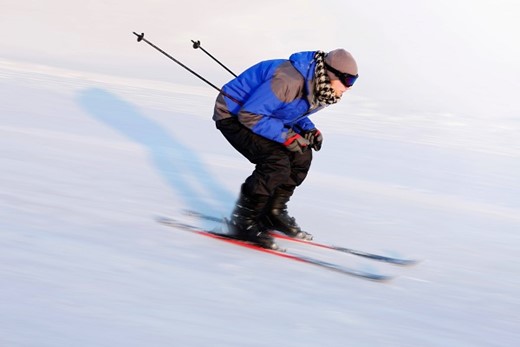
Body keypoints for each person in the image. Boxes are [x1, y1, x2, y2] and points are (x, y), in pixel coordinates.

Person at [212, 48, 358, 249]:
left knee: (302, 155)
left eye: (354, 81)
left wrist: (308, 129)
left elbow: (288, 109)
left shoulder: (317, 82)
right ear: (332, 74)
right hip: (232, 115)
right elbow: (250, 114)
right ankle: (243, 221)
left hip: (260, 117)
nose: (349, 87)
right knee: (275, 161)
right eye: (348, 81)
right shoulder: (289, 80)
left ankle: (272, 213)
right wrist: (287, 137)